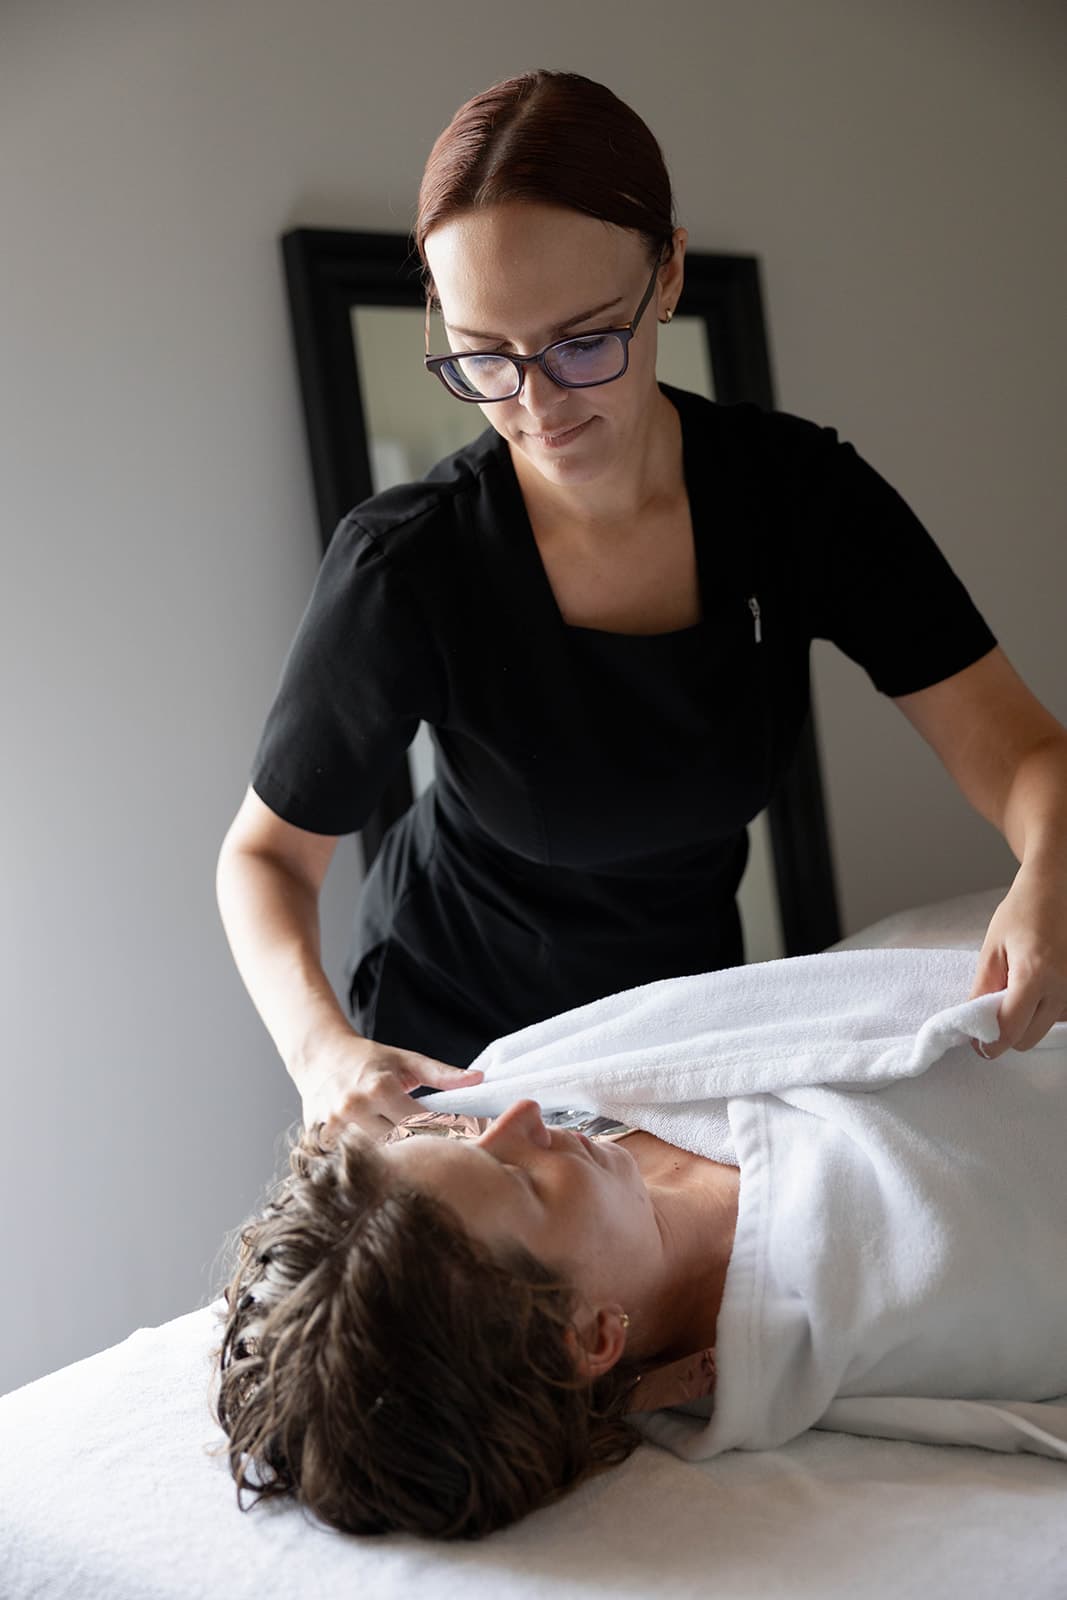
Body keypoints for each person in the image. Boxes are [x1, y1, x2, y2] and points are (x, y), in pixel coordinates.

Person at [214, 68, 1067, 1146]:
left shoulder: (796, 499)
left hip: (679, 1027)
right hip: (454, 1053)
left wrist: (1050, 874)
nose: (534, 404)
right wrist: (318, 1050)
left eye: (581, 344)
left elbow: (1023, 753)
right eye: (484, 355)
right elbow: (265, 858)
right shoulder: (408, 567)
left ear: (666, 272)